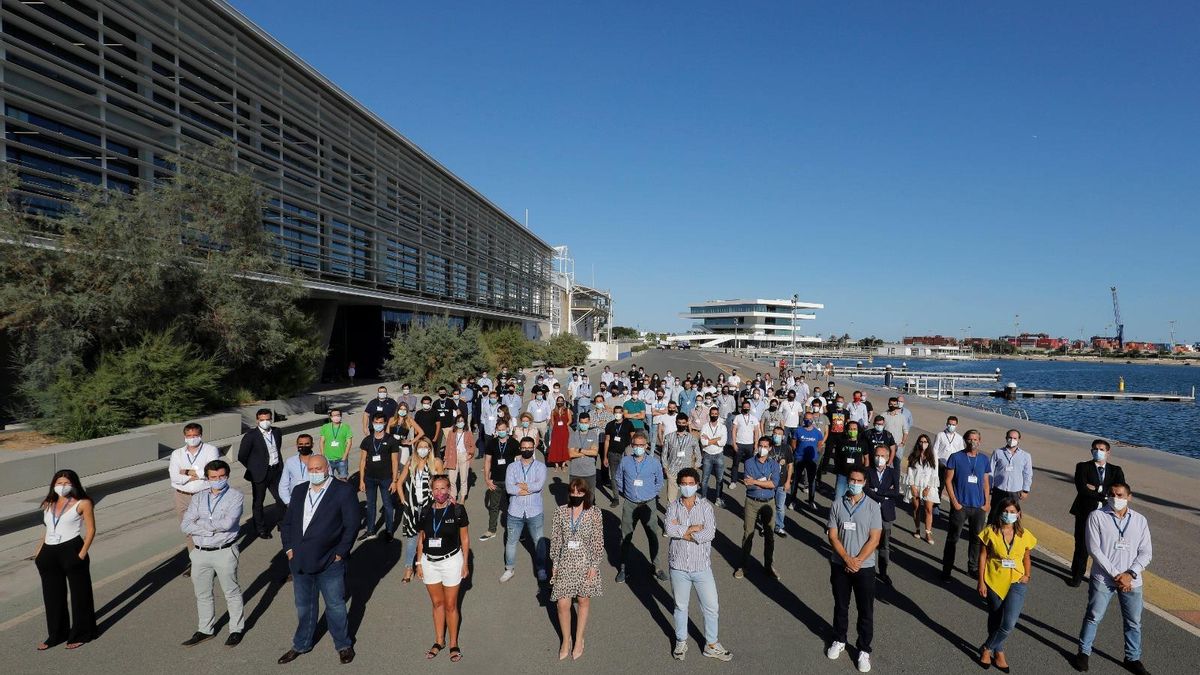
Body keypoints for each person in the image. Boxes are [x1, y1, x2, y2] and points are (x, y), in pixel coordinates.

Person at [278, 454, 358, 665]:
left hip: (330, 562)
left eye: (318, 468)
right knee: (304, 606)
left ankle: (343, 644)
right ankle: (301, 643)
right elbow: (287, 524)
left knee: (335, 606)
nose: (314, 473)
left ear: (327, 469)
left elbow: (351, 525)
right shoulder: (299, 490)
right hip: (300, 561)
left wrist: (340, 552)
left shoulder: (343, 491)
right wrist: (288, 549)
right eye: (311, 469)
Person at [1071, 483, 1153, 675]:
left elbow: (1146, 552)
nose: (1116, 498)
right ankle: (1083, 652)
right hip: (1103, 578)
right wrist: (1116, 574)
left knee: (1133, 621)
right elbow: (1094, 549)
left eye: (1120, 495)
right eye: (1112, 494)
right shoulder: (1097, 516)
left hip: (1132, 580)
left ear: (1129, 497)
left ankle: (1132, 658)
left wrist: (1130, 574)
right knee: (1093, 616)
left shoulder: (1140, 521)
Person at [666, 468, 733, 661]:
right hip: (678, 565)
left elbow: (709, 533)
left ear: (697, 484)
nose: (687, 487)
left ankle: (711, 644)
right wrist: (694, 529)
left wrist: (684, 532)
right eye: (684, 483)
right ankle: (681, 641)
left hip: (701, 566)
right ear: (679, 485)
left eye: (691, 483)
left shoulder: (705, 507)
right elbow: (669, 529)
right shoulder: (673, 506)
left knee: (711, 606)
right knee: (680, 606)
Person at [179, 459, 245, 647]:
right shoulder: (198, 497)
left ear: (227, 476)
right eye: (214, 477)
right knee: (202, 593)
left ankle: (236, 629)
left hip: (224, 551)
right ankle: (205, 629)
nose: (218, 480)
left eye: (222, 476)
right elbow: (185, 525)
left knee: (231, 592)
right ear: (207, 479)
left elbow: (228, 524)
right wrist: (211, 529)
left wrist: (199, 526)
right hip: (199, 553)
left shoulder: (235, 496)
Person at [826, 467, 881, 673]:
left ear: (865, 482)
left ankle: (864, 648)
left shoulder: (873, 507)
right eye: (852, 479)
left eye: (859, 480)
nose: (854, 483)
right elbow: (832, 535)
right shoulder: (837, 504)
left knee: (865, 610)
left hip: (864, 567)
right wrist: (847, 559)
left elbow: (875, 538)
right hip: (840, 564)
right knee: (841, 605)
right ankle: (839, 639)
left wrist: (857, 560)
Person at [34, 470, 96, 650]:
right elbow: (48, 529)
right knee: (52, 596)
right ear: (53, 484)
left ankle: (82, 632)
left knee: (80, 594)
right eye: (59, 483)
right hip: (48, 552)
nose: (62, 486)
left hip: (72, 549)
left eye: (66, 483)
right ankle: (56, 634)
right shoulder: (49, 503)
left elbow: (91, 530)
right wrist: (38, 552)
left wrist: (82, 553)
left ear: (74, 484)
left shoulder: (83, 503)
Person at [977, 498, 1036, 671]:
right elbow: (982, 557)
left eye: (1012, 512)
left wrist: (1027, 575)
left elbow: (1027, 557)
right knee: (995, 618)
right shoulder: (990, 531)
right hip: (994, 579)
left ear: (1019, 514)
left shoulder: (1024, 534)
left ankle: (987, 647)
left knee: (1009, 622)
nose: (1009, 515)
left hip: (1017, 581)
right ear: (999, 512)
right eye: (1006, 511)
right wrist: (981, 582)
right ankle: (999, 651)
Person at [416, 475, 469, 663]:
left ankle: (454, 643)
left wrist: (465, 564)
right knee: (437, 604)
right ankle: (439, 640)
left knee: (450, 605)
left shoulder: (458, 511)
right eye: (436, 489)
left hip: (451, 562)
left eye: (443, 489)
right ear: (431, 491)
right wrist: (419, 563)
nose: (439, 493)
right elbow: (421, 537)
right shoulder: (424, 511)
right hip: (429, 562)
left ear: (449, 489)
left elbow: (464, 539)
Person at [549, 478, 604, 661]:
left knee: (582, 600)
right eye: (572, 492)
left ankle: (579, 639)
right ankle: (566, 639)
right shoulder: (560, 512)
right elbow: (556, 539)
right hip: (565, 561)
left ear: (585, 494)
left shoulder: (594, 512)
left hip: (585, 561)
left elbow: (598, 541)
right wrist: (555, 564)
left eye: (579, 492)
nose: (576, 495)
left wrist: (594, 565)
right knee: (562, 604)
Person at [1068, 439, 1125, 587]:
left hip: (1107, 513)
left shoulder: (1115, 470)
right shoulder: (1082, 467)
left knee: (1105, 546)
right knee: (1081, 545)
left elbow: (1120, 490)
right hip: (1085, 511)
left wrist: (1097, 489)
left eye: (1101, 449)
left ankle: (1104, 575)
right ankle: (1077, 575)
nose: (1098, 451)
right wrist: (1105, 492)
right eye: (1095, 449)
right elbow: (1082, 489)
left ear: (1108, 452)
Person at [615, 432, 667, 583]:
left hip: (648, 504)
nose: (638, 448)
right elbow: (619, 479)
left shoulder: (654, 463)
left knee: (653, 536)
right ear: (632, 446)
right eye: (635, 445)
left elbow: (659, 482)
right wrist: (627, 493)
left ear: (646, 446)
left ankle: (656, 567)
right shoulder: (625, 461)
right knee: (626, 537)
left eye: (641, 445)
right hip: (630, 503)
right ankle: (623, 569)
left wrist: (651, 493)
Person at [169, 422, 220, 574]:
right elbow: (174, 477)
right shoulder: (177, 454)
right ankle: (196, 563)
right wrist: (197, 474)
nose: (192, 438)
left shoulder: (210, 450)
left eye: (195, 435)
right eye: (189, 436)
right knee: (189, 531)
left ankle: (212, 560)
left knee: (206, 528)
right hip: (182, 496)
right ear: (185, 437)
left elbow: (211, 472)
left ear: (200, 435)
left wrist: (185, 472)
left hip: (203, 496)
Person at [942, 430, 991, 582]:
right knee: (953, 538)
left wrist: (987, 502)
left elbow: (985, 482)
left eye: (975, 439)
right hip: (960, 506)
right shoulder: (956, 457)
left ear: (980, 441)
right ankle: (947, 569)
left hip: (978, 507)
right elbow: (948, 480)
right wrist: (954, 502)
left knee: (976, 539)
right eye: (969, 439)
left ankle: (973, 568)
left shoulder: (983, 459)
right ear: (965, 441)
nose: (972, 442)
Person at [501, 436, 548, 582]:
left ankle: (541, 569)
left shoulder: (541, 466)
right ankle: (509, 569)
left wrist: (520, 485)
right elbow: (509, 488)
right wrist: (528, 487)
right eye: (524, 448)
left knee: (538, 541)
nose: (526, 450)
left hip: (535, 511)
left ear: (534, 448)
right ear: (520, 449)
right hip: (515, 510)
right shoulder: (512, 466)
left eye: (529, 448)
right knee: (511, 541)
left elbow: (538, 486)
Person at [735, 436, 781, 580]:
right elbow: (748, 483)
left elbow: (774, 484)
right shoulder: (749, 462)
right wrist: (764, 482)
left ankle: (769, 566)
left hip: (769, 502)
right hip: (752, 501)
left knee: (769, 535)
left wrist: (756, 481)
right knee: (748, 533)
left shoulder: (774, 464)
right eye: (761, 445)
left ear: (770, 448)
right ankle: (743, 566)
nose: (763, 448)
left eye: (766, 446)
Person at [398, 438, 444, 582]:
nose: (422, 449)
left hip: (430, 506)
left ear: (430, 449)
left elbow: (442, 486)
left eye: (426, 447)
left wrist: (441, 504)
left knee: (432, 536)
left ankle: (433, 566)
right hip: (413, 507)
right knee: (412, 538)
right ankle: (408, 568)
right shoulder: (411, 462)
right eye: (420, 447)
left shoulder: (436, 462)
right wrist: (403, 500)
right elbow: (400, 483)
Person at [237, 408, 284, 539]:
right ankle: (261, 529)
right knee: (258, 502)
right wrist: (254, 467)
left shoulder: (277, 432)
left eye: (267, 419)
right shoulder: (251, 435)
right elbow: (242, 456)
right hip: (259, 474)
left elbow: (277, 449)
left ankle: (282, 522)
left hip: (276, 470)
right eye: (262, 419)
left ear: (271, 419)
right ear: (257, 420)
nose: (265, 422)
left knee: (281, 498)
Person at [358, 413, 400, 541]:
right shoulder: (367, 440)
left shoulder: (391, 440)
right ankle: (370, 530)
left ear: (385, 423)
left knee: (387, 505)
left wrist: (394, 481)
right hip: (370, 478)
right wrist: (361, 480)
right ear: (372, 423)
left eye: (380, 422)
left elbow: (395, 461)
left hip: (386, 478)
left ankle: (389, 531)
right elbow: (362, 461)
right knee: (371, 505)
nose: (378, 425)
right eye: (376, 422)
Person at [865, 444, 902, 586]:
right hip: (870, 513)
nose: (879, 458)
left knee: (884, 545)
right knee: (868, 541)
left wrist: (877, 491)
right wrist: (883, 494)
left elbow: (896, 492)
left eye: (882, 456)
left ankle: (883, 571)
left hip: (886, 513)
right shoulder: (868, 471)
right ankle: (867, 568)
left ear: (887, 458)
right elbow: (866, 489)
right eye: (877, 455)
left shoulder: (893, 473)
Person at [480, 420, 519, 541]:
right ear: (496, 430)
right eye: (499, 430)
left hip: (511, 481)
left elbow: (519, 461)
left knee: (513, 506)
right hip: (495, 480)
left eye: (503, 429)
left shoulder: (513, 443)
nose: (501, 432)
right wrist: (487, 479)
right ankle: (491, 530)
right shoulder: (491, 443)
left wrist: (518, 480)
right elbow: (487, 461)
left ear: (507, 429)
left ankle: (516, 530)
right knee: (494, 507)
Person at [905, 434, 939, 544]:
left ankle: (928, 532)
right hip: (915, 484)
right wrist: (912, 486)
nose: (923, 443)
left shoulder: (933, 455)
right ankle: (917, 529)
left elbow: (935, 472)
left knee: (929, 510)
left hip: (928, 486)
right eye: (921, 441)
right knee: (916, 508)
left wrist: (928, 487)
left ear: (928, 443)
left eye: (925, 441)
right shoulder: (914, 454)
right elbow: (909, 471)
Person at [660, 413, 701, 506]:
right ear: (676, 423)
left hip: (687, 473)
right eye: (679, 422)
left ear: (687, 423)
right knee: (671, 500)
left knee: (688, 499)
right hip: (672, 471)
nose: (681, 425)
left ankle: (686, 518)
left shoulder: (692, 438)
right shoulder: (669, 437)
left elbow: (698, 454)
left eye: (683, 423)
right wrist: (665, 468)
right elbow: (664, 454)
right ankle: (670, 518)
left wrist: (695, 468)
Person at [990, 429, 1032, 516]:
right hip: (999, 489)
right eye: (1010, 437)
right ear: (1006, 438)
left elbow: (1027, 474)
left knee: (1011, 514)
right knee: (995, 512)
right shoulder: (998, 452)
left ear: (1018, 440)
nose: (1012, 440)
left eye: (1015, 438)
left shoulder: (1025, 456)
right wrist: (989, 486)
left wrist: (1025, 490)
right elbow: (991, 470)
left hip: (1015, 491)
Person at [602, 405, 635, 508]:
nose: (617, 414)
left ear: (622, 413)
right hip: (612, 453)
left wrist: (632, 450)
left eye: (619, 412)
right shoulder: (609, 425)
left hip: (625, 454)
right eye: (615, 412)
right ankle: (616, 498)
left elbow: (634, 438)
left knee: (628, 475)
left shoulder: (628, 424)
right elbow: (607, 440)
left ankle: (629, 494)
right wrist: (605, 456)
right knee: (614, 476)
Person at [790, 412, 824, 510]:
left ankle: (811, 501)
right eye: (806, 419)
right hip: (799, 459)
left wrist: (816, 452)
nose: (808, 421)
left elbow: (820, 443)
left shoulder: (817, 432)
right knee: (796, 480)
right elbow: (793, 442)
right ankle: (792, 500)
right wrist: (796, 452)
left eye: (810, 419)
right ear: (803, 419)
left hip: (812, 460)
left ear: (813, 420)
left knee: (811, 481)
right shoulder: (798, 430)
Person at [932, 416, 964, 512]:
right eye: (949, 424)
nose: (951, 426)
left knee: (953, 488)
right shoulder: (940, 435)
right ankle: (936, 506)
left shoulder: (959, 438)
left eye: (953, 424)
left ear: (956, 425)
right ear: (946, 424)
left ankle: (953, 507)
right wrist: (936, 462)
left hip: (953, 468)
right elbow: (935, 449)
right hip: (942, 465)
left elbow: (961, 452)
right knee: (939, 486)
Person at [832, 421, 869, 504]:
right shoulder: (841, 441)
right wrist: (837, 468)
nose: (852, 431)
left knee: (855, 499)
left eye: (854, 429)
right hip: (843, 475)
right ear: (847, 430)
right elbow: (836, 456)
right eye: (850, 429)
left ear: (858, 430)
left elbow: (866, 458)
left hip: (856, 477)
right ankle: (836, 514)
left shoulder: (862, 443)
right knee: (838, 497)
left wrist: (865, 471)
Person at [699, 406, 729, 508]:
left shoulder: (722, 427)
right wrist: (716, 439)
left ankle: (718, 499)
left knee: (720, 479)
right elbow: (703, 442)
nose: (714, 415)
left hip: (719, 455)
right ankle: (703, 498)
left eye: (716, 414)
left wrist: (710, 440)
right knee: (704, 479)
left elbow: (723, 443)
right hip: (707, 455)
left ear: (718, 415)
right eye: (712, 414)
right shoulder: (705, 426)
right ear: (709, 414)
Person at [568, 411, 602, 499]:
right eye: (582, 423)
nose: (584, 425)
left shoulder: (593, 435)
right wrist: (587, 452)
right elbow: (571, 454)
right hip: (575, 473)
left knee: (590, 497)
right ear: (579, 423)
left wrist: (579, 450)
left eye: (586, 423)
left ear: (589, 422)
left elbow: (594, 452)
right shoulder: (573, 435)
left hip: (589, 473)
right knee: (574, 497)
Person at [442, 416, 475, 501]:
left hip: (464, 455)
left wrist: (470, 454)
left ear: (464, 422)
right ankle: (453, 496)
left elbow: (472, 445)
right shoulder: (451, 433)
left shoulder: (468, 433)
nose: (460, 423)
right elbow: (448, 447)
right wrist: (445, 459)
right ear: (455, 423)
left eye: (462, 421)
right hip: (453, 456)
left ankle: (463, 497)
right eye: (458, 421)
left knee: (463, 478)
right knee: (452, 479)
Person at [729, 401, 760, 487]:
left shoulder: (754, 418)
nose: (746, 408)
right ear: (742, 408)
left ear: (750, 408)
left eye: (747, 407)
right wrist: (734, 443)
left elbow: (756, 431)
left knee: (749, 464)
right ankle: (733, 481)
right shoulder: (738, 417)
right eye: (744, 407)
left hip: (750, 444)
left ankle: (747, 480)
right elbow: (734, 430)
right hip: (739, 443)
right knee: (735, 463)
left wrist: (756, 443)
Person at [279, 435, 316, 506]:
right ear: (297, 445)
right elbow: (283, 484)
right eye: (301, 444)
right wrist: (288, 502)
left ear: (312, 445)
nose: (304, 446)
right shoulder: (290, 462)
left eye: (307, 444)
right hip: (296, 500)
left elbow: (329, 480)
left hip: (315, 499)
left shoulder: (320, 460)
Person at [317, 408, 353, 480]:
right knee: (328, 479)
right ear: (330, 417)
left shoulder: (346, 427)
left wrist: (344, 457)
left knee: (343, 478)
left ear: (341, 416)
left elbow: (349, 443)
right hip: (328, 459)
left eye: (338, 415)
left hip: (341, 459)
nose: (336, 417)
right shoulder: (325, 427)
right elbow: (321, 442)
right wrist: (323, 455)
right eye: (333, 415)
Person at [768, 425, 791, 536]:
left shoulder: (787, 448)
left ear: (783, 437)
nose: (777, 436)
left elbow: (790, 466)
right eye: (775, 433)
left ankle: (779, 526)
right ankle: (766, 526)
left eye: (779, 434)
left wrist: (788, 482)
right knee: (767, 505)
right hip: (769, 482)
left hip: (782, 483)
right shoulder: (768, 447)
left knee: (780, 507)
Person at [547, 395, 572, 469]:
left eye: (561, 401)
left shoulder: (567, 410)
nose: (560, 402)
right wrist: (556, 427)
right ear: (556, 402)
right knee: (556, 446)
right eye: (558, 401)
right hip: (556, 431)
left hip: (564, 431)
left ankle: (563, 464)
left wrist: (565, 425)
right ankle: (556, 464)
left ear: (563, 402)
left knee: (564, 446)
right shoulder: (553, 411)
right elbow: (552, 421)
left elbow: (570, 420)